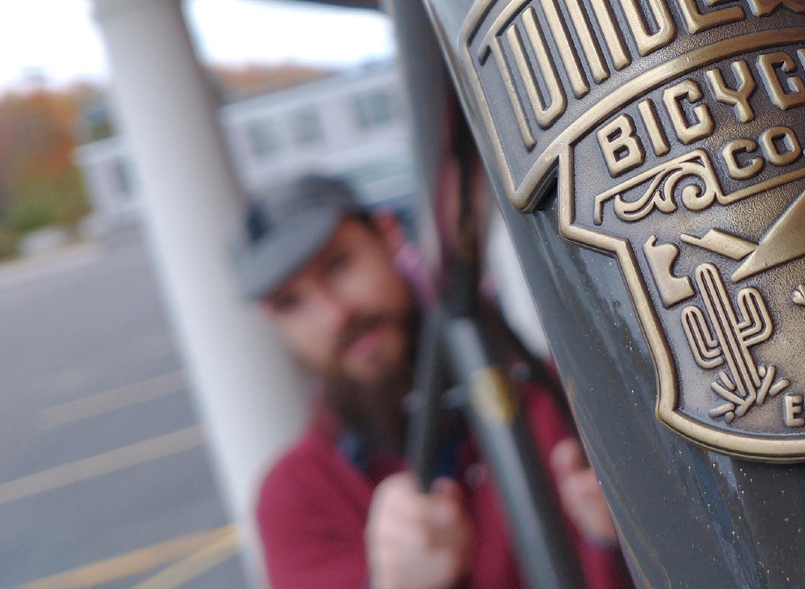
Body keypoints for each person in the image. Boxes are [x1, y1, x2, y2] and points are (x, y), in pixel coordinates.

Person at [230, 174, 630, 589]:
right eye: (290, 303)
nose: (335, 315)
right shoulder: (296, 498)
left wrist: (627, 540)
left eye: (337, 264)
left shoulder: (565, 397)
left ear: (388, 235)